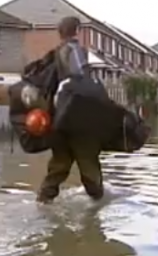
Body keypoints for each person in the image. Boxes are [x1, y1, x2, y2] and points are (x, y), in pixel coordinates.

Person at [36, 16, 105, 203]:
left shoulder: (54, 55)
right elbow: (80, 80)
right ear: (78, 31)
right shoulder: (76, 51)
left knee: (58, 165)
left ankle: (43, 202)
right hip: (78, 119)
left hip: (58, 120)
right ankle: (97, 208)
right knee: (89, 163)